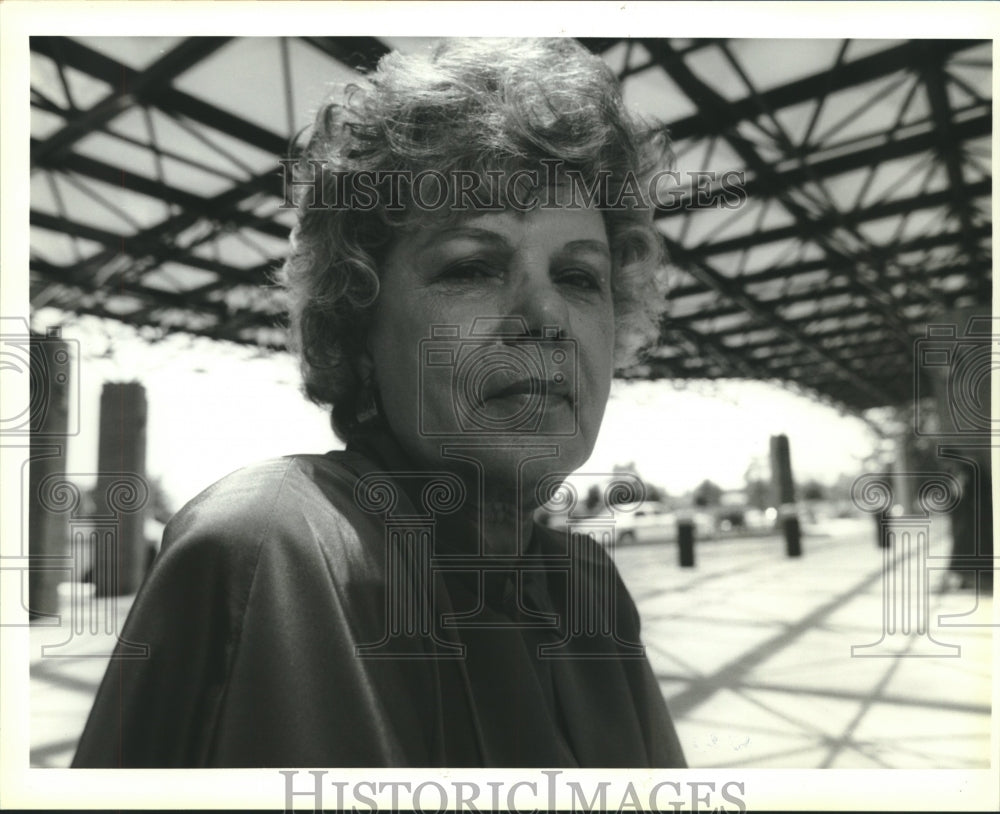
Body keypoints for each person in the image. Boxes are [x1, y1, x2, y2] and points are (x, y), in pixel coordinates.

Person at [72, 38, 686, 768]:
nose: (545, 315)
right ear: (357, 320)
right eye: (475, 265)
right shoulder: (270, 553)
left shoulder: (591, 593)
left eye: (580, 277)